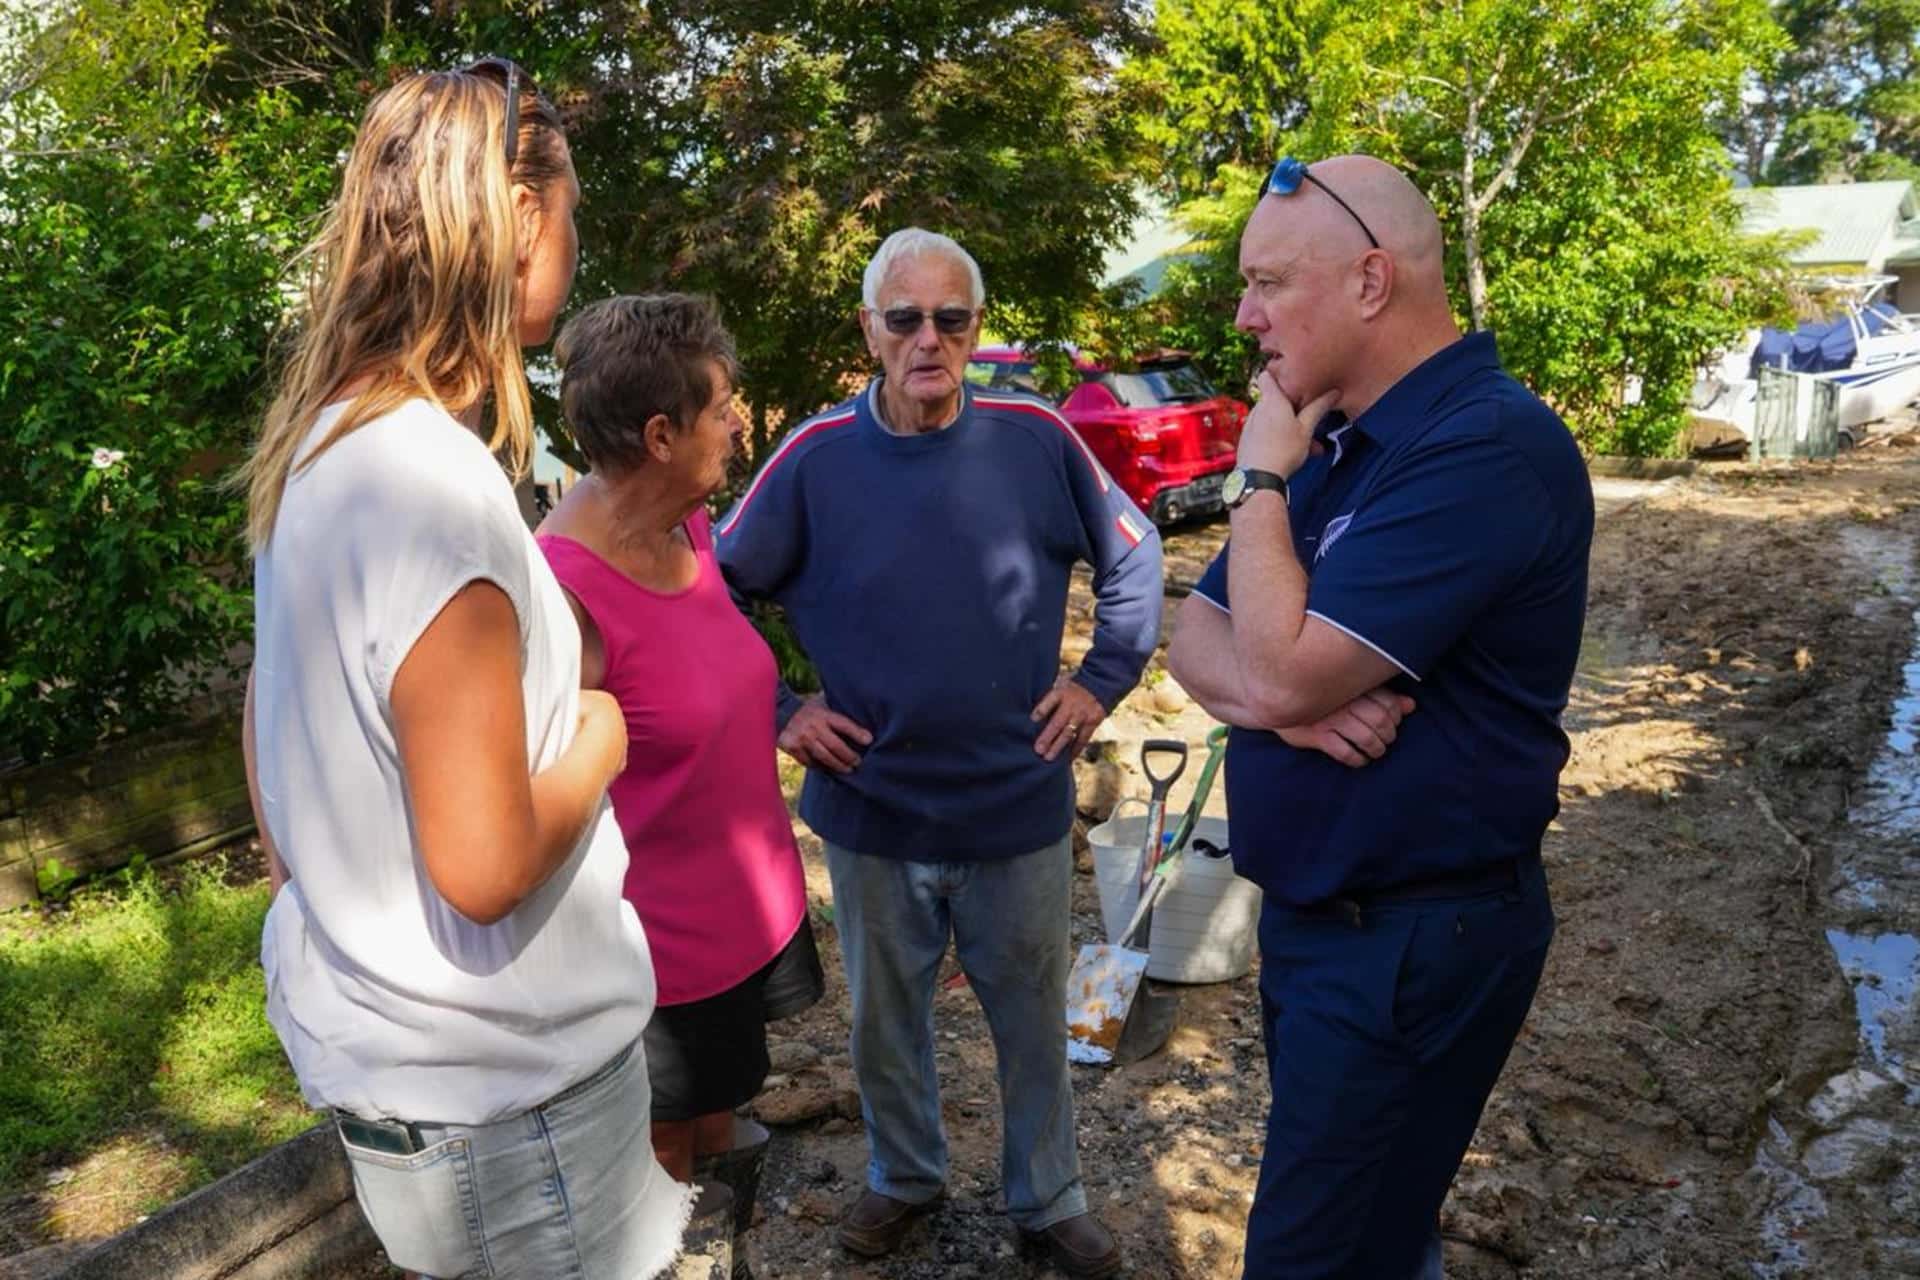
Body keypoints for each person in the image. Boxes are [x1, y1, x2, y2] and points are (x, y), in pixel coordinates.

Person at [240, 61, 690, 1279]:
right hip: (511, 1111)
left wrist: (327, 899)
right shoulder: (433, 484)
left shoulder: (324, 445)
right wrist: (598, 726)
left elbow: (271, 731)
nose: (578, 242)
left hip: (430, 1097)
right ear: (523, 217)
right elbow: (486, 862)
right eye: (574, 213)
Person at [1165, 154, 1593, 1278]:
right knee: (1375, 1238)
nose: (1246, 317)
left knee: (1315, 1256)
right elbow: (1200, 643)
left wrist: (1257, 487)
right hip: (1331, 926)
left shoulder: (1481, 446)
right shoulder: (1339, 433)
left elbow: (1284, 665)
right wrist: (1282, 705)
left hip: (1412, 938)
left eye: (1267, 283)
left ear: (1368, 282)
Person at [715, 227, 1162, 1279]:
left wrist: (1099, 682)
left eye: (951, 317)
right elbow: (715, 591)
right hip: (873, 809)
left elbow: (1133, 564)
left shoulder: (1036, 437)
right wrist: (781, 707)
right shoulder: (816, 458)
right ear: (870, 329)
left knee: (1032, 1021)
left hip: (1016, 806)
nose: (929, 338)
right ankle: (905, 1176)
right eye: (905, 317)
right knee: (883, 1022)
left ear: (975, 328)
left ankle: (1048, 1197)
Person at [535, 294, 823, 1235]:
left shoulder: (689, 525)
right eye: (723, 406)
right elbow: (544, 802)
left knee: (721, 1121)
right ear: (662, 435)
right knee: (659, 1180)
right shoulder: (562, 599)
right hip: (656, 963)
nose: (739, 422)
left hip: (743, 913)